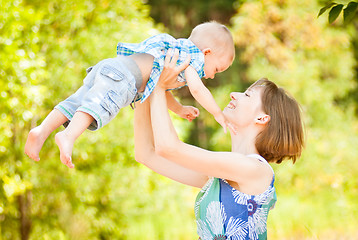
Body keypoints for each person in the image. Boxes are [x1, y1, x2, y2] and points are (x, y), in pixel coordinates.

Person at [134, 50, 304, 239]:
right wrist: (144, 85)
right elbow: (146, 154)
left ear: (262, 118)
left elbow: (168, 148)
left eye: (247, 95)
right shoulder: (215, 178)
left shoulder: (254, 169)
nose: (233, 94)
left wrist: (159, 86)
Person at [25, 21, 235, 168]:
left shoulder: (177, 53)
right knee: (97, 106)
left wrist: (179, 109)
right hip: (124, 78)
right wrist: (218, 113)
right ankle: (68, 135)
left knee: (77, 103)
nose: (213, 76)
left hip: (112, 68)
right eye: (217, 69)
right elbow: (198, 90)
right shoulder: (191, 57)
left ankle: (42, 131)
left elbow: (160, 88)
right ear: (206, 52)